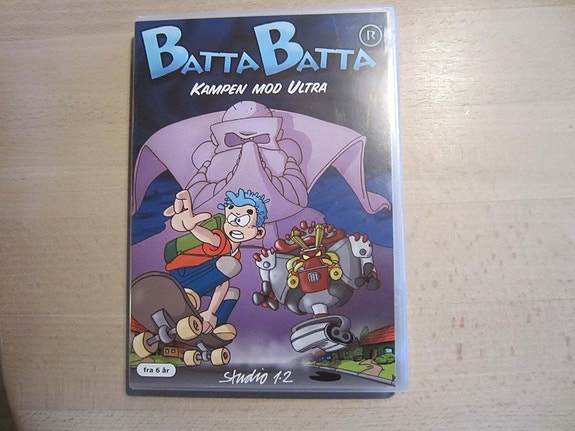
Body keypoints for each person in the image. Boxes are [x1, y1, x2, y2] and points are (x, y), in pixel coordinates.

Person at [163, 188, 268, 334]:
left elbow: (222, 283)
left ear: (259, 232)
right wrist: (193, 227)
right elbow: (210, 238)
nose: (235, 225)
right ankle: (191, 298)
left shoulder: (234, 254)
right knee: (230, 265)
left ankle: (213, 328)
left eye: (242, 221)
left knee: (231, 293)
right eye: (232, 219)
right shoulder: (222, 242)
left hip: (200, 279)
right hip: (183, 275)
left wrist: (211, 312)